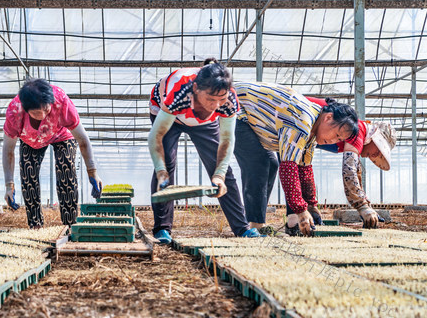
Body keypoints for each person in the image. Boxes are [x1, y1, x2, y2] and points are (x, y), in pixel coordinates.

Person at [148, 59, 259, 243]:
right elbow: (156, 136)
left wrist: (220, 175)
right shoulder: (180, 92)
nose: (216, 105)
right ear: (196, 88)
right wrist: (160, 169)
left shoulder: (229, 99)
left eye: (220, 100)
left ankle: (242, 228)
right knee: (167, 163)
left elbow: (227, 139)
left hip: (203, 123)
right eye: (210, 99)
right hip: (168, 115)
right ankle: (162, 228)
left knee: (221, 167)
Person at [232, 81, 360, 236]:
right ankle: (255, 227)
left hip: (247, 115)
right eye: (336, 134)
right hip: (233, 108)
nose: (333, 141)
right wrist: (300, 210)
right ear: (328, 118)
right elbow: (288, 169)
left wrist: (311, 205)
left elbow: (304, 169)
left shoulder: (312, 130)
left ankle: (256, 224)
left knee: (271, 164)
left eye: (338, 140)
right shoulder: (303, 121)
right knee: (260, 163)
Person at [2, 78, 102, 229]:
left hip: (61, 134)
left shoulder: (61, 101)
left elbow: (82, 139)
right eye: (36, 113)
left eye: (47, 109)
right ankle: (35, 225)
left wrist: (92, 171)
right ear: (26, 109)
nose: (42, 115)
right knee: (28, 174)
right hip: (31, 140)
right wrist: (9, 186)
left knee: (66, 169)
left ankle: (70, 223)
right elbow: (8, 150)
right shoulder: (15, 111)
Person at [298, 104, 396, 228]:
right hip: (291, 117)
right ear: (373, 139)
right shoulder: (358, 131)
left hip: (297, 126)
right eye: (377, 152)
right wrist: (362, 206)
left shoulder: (357, 134)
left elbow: (356, 170)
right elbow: (349, 170)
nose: (372, 156)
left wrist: (310, 204)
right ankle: (292, 223)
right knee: (283, 165)